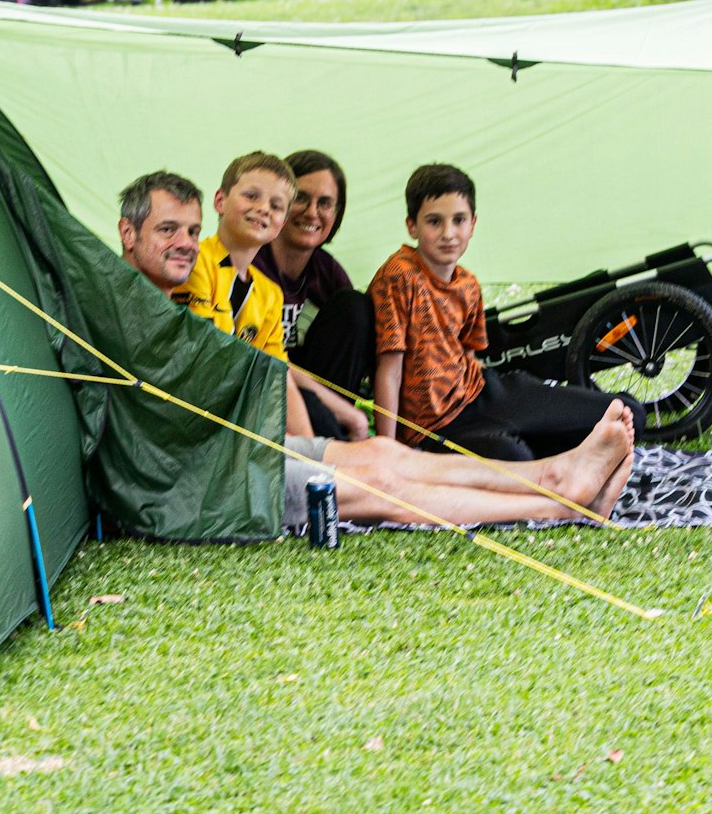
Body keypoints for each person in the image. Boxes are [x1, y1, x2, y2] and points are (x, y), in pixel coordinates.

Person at [117, 170, 636, 532]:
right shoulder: (123, 308)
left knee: (384, 455)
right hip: (211, 480)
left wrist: (317, 436)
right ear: (127, 233)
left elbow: (267, 371)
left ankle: (557, 477)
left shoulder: (206, 299)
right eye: (167, 230)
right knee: (382, 483)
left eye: (189, 231)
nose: (184, 242)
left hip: (249, 446)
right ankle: (556, 507)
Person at [371, 163, 645, 461]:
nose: (448, 233)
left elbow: (469, 356)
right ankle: (552, 463)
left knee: (630, 414)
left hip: (489, 393)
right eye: (434, 221)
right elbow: (389, 369)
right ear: (412, 226)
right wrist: (387, 454)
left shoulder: (468, 284)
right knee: (515, 457)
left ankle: (556, 460)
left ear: (473, 224)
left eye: (459, 220)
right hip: (437, 428)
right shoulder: (399, 275)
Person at [171, 152, 314, 436]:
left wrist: (310, 447)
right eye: (251, 196)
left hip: (247, 419)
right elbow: (206, 352)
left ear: (282, 222)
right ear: (219, 201)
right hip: (199, 418)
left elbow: (277, 376)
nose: (263, 208)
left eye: (276, 206)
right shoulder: (195, 262)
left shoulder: (270, 293)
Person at [253, 149, 375, 441]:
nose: (312, 212)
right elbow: (262, 361)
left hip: (320, 396)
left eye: (325, 203)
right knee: (311, 410)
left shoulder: (328, 272)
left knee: (355, 307)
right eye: (301, 198)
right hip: (264, 392)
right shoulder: (251, 262)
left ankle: (334, 433)